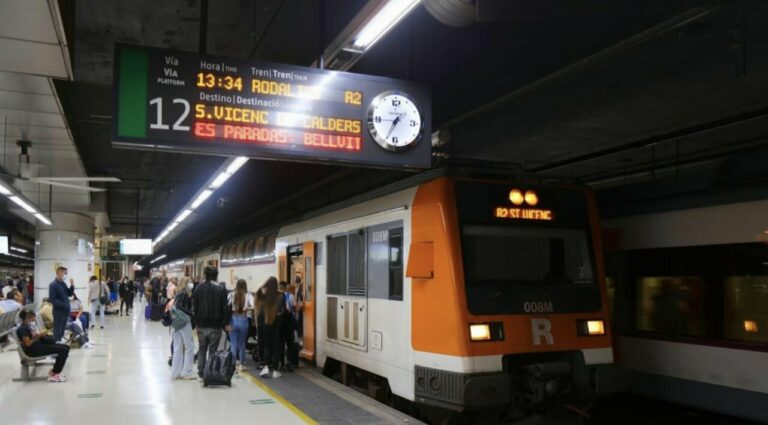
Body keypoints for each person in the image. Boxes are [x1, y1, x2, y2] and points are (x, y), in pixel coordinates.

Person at [192, 266, 231, 380]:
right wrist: (226, 324)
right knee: (213, 350)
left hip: (202, 325)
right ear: (216, 275)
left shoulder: (198, 288)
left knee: (202, 349)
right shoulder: (221, 288)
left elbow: (194, 306)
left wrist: (196, 323)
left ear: (205, 274)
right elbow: (225, 308)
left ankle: (201, 372)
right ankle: (210, 371)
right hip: (216, 325)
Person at [16, 310, 70, 382]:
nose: (34, 320)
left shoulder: (28, 326)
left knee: (66, 347)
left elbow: (33, 337)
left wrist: (40, 335)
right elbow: (28, 344)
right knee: (63, 350)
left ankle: (54, 371)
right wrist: (38, 336)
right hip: (34, 350)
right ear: (28, 317)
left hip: (39, 345)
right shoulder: (23, 329)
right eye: (33, 318)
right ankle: (55, 374)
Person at [167, 276, 196, 380]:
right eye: (190, 282)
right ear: (185, 283)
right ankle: (187, 372)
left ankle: (175, 372)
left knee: (178, 347)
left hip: (177, 323)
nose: (191, 284)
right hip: (184, 321)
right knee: (190, 347)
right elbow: (180, 307)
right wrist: (191, 314)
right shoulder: (184, 294)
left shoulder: (178, 293)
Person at [258, 277, 284, 379]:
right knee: (276, 346)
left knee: (267, 346)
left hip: (266, 324)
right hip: (278, 324)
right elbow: (283, 310)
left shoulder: (264, 296)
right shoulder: (281, 296)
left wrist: (265, 284)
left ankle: (265, 368)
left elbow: (260, 289)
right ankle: (276, 371)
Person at [228, 279, 254, 373]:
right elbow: (254, 306)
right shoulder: (248, 295)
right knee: (242, 344)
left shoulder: (231, 294)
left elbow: (227, 305)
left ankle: (233, 365)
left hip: (233, 320)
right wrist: (246, 309)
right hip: (244, 320)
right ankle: (241, 364)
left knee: (233, 344)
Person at [48, 267, 75, 342]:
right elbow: (52, 299)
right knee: (58, 329)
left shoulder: (63, 283)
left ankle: (60, 341)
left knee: (62, 329)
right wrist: (63, 305)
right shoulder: (53, 284)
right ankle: (56, 343)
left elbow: (69, 294)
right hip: (58, 311)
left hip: (65, 311)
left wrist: (72, 285)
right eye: (64, 273)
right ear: (59, 273)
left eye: (66, 273)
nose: (65, 275)